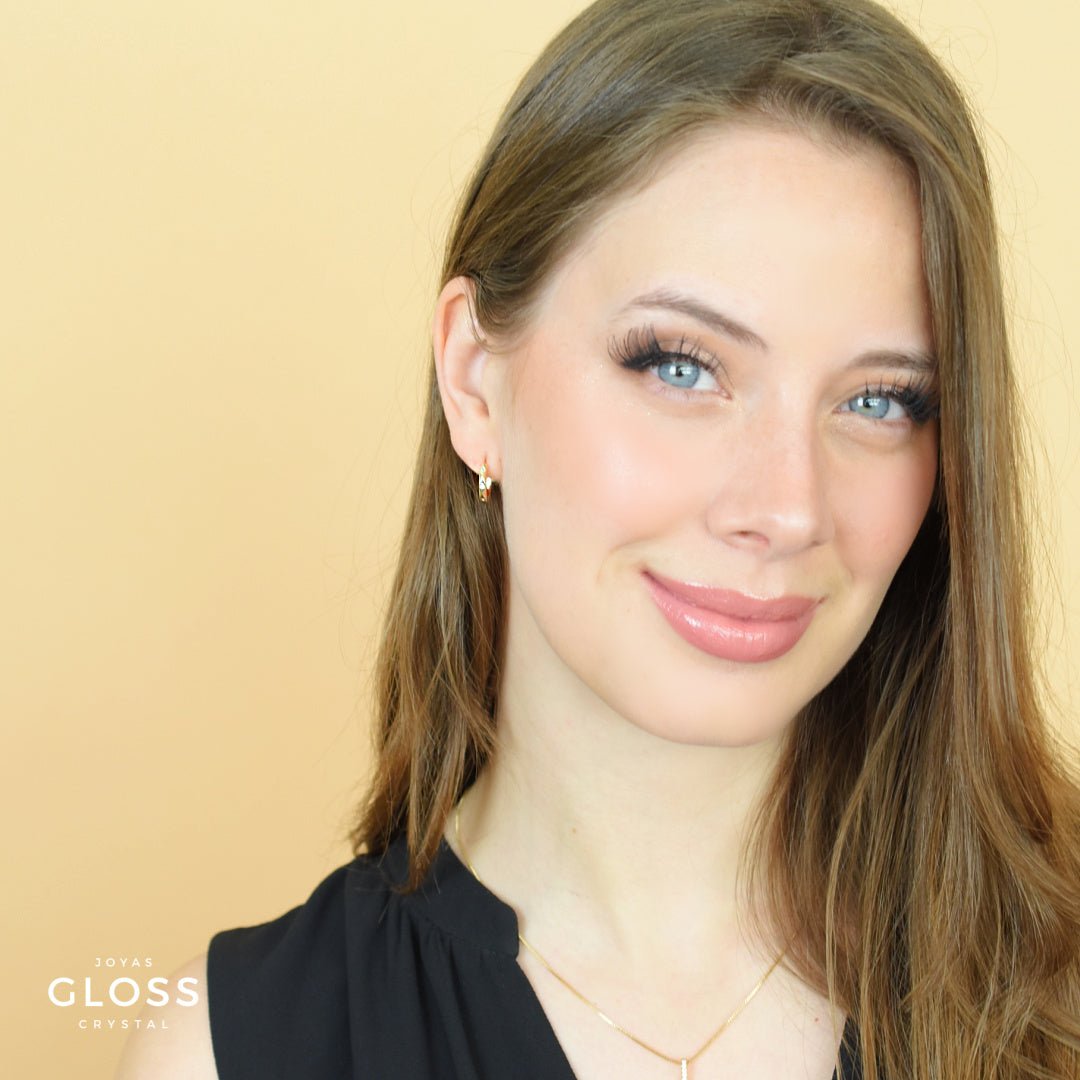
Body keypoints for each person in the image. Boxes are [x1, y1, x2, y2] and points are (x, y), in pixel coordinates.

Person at [117, 0, 1080, 1077]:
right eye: (681, 365)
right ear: (473, 380)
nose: (789, 508)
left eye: (882, 400)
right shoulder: (234, 1051)